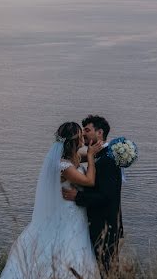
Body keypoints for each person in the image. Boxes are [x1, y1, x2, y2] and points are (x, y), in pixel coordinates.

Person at [0, 122, 104, 279]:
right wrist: (89, 156)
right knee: (68, 247)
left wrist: (105, 147)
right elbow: (89, 181)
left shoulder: (72, 159)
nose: (83, 137)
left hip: (74, 212)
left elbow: (84, 157)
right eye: (80, 135)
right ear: (73, 141)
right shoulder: (63, 166)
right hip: (68, 214)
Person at [62, 115, 123, 275]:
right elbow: (71, 160)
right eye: (82, 131)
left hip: (104, 226)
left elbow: (106, 197)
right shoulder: (97, 155)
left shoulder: (107, 160)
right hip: (93, 225)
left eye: (87, 130)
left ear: (100, 132)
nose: (83, 134)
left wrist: (78, 197)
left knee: (106, 271)